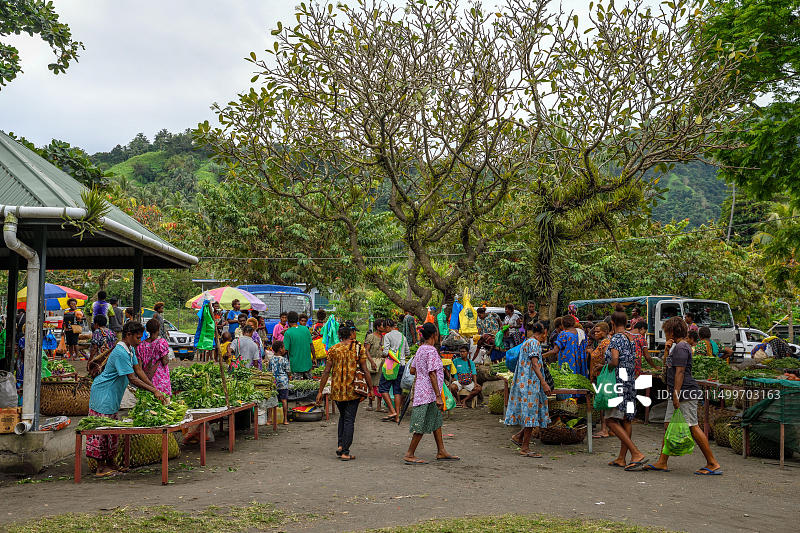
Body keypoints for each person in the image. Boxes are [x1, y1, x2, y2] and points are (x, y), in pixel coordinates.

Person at [87, 320, 166, 477]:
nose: (139, 341)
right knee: (102, 430)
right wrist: (153, 391)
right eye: (137, 337)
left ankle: (111, 463)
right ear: (128, 335)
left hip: (113, 395)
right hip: (103, 394)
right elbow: (132, 378)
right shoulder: (120, 352)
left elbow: (139, 370)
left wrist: (155, 389)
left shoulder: (131, 350)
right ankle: (100, 467)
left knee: (113, 432)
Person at [644, 317, 722, 475]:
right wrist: (666, 351)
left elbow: (679, 372)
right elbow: (668, 368)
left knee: (692, 426)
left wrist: (676, 394)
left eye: (666, 331)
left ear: (672, 331)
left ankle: (713, 463)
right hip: (678, 392)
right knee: (668, 425)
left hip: (685, 392)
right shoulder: (675, 347)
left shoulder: (681, 347)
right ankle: (662, 461)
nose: (665, 334)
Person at [403, 323, 459, 464]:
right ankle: (410, 454)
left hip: (423, 390)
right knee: (421, 423)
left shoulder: (421, 349)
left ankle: (441, 450)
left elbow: (412, 370)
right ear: (434, 335)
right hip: (428, 393)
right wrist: (438, 396)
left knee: (436, 421)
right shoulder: (432, 351)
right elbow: (432, 374)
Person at [315, 324, 372, 461]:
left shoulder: (334, 349)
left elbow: (326, 371)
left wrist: (320, 391)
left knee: (343, 417)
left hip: (337, 390)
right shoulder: (358, 348)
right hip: (353, 390)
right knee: (349, 419)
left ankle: (341, 445)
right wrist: (370, 389)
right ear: (351, 333)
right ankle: (345, 451)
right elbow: (365, 370)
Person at [604, 307, 648, 471]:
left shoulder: (615, 339)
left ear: (613, 323)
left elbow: (614, 361)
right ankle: (622, 458)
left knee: (610, 420)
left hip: (618, 383)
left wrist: (603, 367)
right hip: (630, 382)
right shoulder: (631, 338)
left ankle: (635, 453)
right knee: (626, 419)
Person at [505, 322, 551, 457]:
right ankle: (525, 448)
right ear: (544, 332)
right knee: (530, 415)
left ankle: (518, 437)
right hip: (529, 384)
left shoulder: (527, 342)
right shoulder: (534, 343)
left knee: (531, 414)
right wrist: (544, 382)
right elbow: (535, 365)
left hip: (524, 382)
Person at [379, 319, 410, 423]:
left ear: (388, 326)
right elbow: (407, 352)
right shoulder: (402, 336)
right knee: (397, 390)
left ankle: (392, 411)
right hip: (401, 365)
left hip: (390, 366)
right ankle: (397, 417)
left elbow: (386, 352)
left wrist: (382, 350)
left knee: (383, 388)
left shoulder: (387, 336)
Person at [137, 318, 172, 396]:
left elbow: (139, 366)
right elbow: (165, 361)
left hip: (146, 380)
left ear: (147, 329)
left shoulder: (141, 345)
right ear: (158, 329)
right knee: (163, 401)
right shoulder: (161, 342)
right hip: (160, 380)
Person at [589, 322, 612, 439]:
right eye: (595, 331)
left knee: (603, 403)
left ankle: (604, 429)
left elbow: (609, 360)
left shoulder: (606, 343)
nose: (596, 333)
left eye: (599, 331)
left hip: (603, 376)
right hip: (600, 375)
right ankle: (609, 429)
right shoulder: (602, 342)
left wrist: (600, 367)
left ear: (605, 332)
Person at [283, 311, 314, 379]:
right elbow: (311, 345)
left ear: (288, 321)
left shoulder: (287, 333)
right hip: (307, 364)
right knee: (309, 386)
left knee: (297, 387)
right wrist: (314, 357)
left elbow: (285, 350)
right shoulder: (305, 329)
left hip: (295, 365)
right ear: (297, 320)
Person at [363, 319, 385, 412]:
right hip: (372, 362)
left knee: (380, 384)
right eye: (382, 325)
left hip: (382, 363)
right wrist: (372, 362)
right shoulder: (370, 337)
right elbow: (366, 350)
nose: (384, 327)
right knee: (371, 383)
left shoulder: (384, 337)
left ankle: (379, 406)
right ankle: (370, 403)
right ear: (377, 327)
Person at [269, 340, 291, 425]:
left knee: (271, 401)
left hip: (274, 382)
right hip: (283, 382)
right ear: (280, 349)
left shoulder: (271, 359)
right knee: (284, 400)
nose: (285, 349)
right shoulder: (284, 360)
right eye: (283, 347)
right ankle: (285, 419)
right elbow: (288, 371)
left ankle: (269, 419)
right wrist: (289, 376)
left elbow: (269, 371)